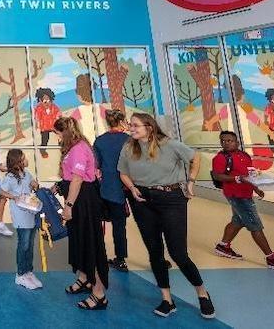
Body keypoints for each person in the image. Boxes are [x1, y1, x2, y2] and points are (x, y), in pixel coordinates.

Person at [118, 113, 215, 320]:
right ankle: (167, 299)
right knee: (155, 251)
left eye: (135, 125)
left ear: (149, 127)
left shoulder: (169, 145)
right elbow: (123, 173)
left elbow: (194, 157)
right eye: (131, 125)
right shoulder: (129, 148)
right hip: (142, 201)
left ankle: (202, 293)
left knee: (178, 253)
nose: (131, 128)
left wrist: (191, 181)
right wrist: (133, 188)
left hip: (171, 198)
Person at [211, 131, 274, 271]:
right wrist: (236, 179)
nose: (226, 143)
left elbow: (249, 176)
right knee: (255, 225)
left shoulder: (244, 156)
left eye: (229, 140)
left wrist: (256, 188)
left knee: (238, 220)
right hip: (236, 195)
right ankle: (271, 258)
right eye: (223, 141)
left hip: (246, 193)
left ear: (236, 142)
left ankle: (223, 246)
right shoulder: (220, 158)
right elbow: (217, 176)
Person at [54, 116, 109, 311]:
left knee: (90, 244)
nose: (57, 138)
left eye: (58, 134)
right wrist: (59, 186)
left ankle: (99, 293)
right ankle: (85, 278)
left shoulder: (78, 148)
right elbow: (70, 178)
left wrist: (68, 205)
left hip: (84, 200)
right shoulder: (74, 148)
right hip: (78, 197)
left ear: (64, 132)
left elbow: (77, 180)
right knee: (79, 241)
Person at [94, 109, 131, 272]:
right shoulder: (129, 140)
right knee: (120, 225)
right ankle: (121, 259)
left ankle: (99, 255)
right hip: (127, 187)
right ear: (122, 121)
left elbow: (97, 165)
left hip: (107, 187)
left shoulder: (100, 141)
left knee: (102, 223)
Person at [0, 148, 41, 290]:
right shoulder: (10, 178)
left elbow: (33, 183)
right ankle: (20, 274)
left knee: (30, 245)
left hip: (31, 213)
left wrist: (35, 185)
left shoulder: (27, 174)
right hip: (20, 216)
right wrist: (14, 197)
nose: (26, 159)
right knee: (23, 244)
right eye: (24, 157)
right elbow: (1, 191)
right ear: (18, 161)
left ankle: (29, 271)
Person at [33, 88, 61, 159]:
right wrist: (36, 124)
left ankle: (62, 147)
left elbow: (58, 114)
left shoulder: (54, 107)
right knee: (45, 139)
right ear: (40, 101)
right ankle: (43, 150)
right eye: (44, 101)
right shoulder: (39, 108)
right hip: (44, 127)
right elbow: (37, 117)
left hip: (53, 125)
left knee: (60, 135)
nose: (47, 103)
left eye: (49, 101)